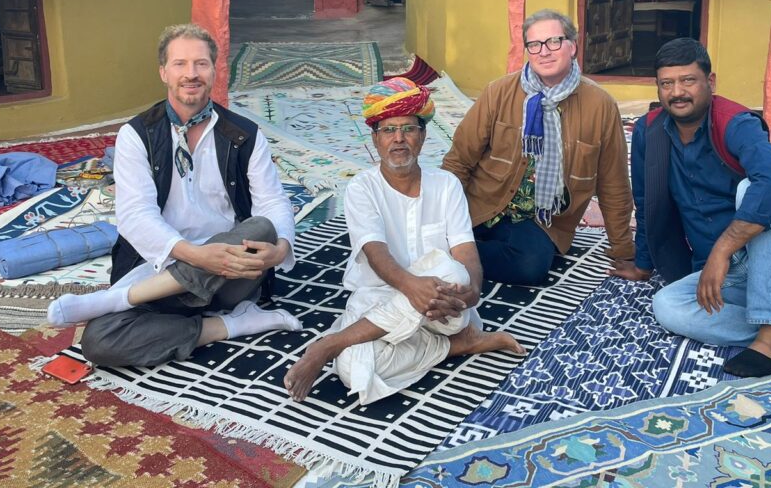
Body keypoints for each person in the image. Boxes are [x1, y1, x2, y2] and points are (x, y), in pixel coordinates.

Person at [48, 23, 302, 366]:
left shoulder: (244, 134)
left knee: (260, 229)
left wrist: (281, 249)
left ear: (214, 71)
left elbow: (272, 202)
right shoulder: (137, 135)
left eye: (201, 64)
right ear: (163, 73)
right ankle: (230, 324)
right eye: (180, 64)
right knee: (99, 341)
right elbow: (135, 216)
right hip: (159, 273)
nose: (191, 74)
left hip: (230, 272)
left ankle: (122, 300)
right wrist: (196, 257)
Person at [613, 38, 771, 377]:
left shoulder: (734, 122)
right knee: (667, 306)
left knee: (756, 188)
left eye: (688, 80)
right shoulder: (650, 132)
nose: (677, 92)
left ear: (710, 82)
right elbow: (646, 202)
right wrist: (643, 265)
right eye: (667, 83)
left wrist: (723, 250)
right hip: (719, 276)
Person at [283, 78, 524, 403]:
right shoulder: (362, 189)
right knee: (356, 372)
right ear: (375, 139)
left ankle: (330, 343)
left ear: (423, 136)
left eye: (409, 129)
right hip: (379, 301)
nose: (399, 139)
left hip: (443, 310)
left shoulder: (447, 185)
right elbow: (375, 254)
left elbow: (466, 252)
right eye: (388, 130)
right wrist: (412, 287)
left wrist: (473, 292)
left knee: (452, 271)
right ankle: (460, 345)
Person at [441, 9, 633, 286]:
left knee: (530, 265)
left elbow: (613, 182)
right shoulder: (499, 92)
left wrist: (623, 251)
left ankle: (451, 258)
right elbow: (459, 160)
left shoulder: (600, 105)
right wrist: (443, 218)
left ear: (573, 46)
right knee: (429, 232)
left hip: (539, 221)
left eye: (553, 41)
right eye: (534, 44)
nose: (544, 51)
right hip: (483, 203)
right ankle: (454, 250)